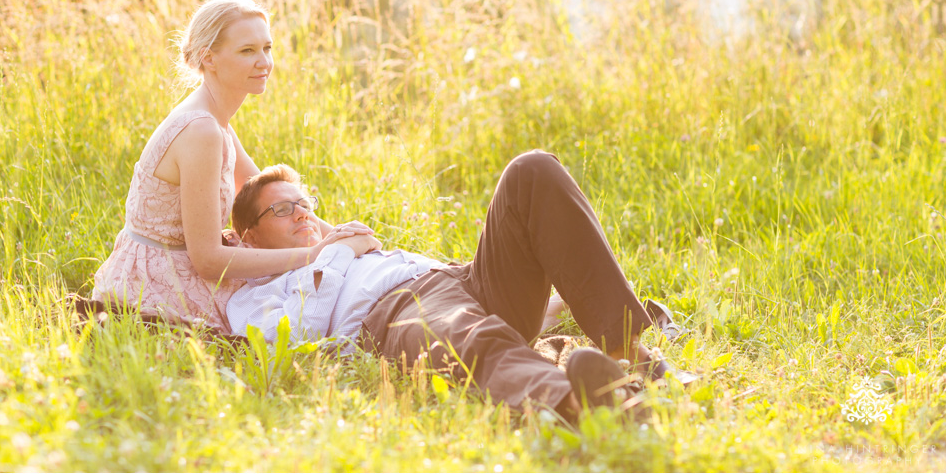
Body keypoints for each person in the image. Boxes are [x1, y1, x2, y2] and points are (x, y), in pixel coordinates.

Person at [226, 151, 687, 420]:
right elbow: (296, 341)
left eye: (303, 203)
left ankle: (629, 352)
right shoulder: (255, 295)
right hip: (396, 311)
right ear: (249, 236)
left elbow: (455, 284)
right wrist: (337, 252)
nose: (303, 214)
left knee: (532, 169)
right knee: (464, 332)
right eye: (282, 211)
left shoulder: (350, 247)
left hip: (459, 277)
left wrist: (552, 306)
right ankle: (586, 403)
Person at [91, 0, 373, 331]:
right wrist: (318, 254)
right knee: (310, 310)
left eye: (267, 48)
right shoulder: (201, 131)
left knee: (331, 285)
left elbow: (266, 195)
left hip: (187, 265)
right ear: (209, 58)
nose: (264, 62)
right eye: (247, 51)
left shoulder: (215, 118)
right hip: (161, 284)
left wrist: (339, 236)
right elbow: (208, 261)